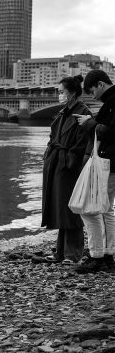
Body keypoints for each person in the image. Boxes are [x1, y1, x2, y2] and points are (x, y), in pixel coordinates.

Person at [33, 75, 91, 265]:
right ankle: (61, 252)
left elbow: (84, 144)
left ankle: (72, 254)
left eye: (61, 92)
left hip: (69, 166)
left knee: (71, 208)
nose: (59, 95)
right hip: (58, 163)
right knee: (60, 207)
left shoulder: (83, 112)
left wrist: (69, 161)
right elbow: (53, 137)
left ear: (72, 93)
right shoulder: (63, 113)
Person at [72, 69, 115, 273]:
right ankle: (107, 255)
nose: (91, 95)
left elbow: (111, 133)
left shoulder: (113, 101)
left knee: (90, 210)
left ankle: (97, 256)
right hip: (111, 164)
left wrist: (88, 123)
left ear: (100, 84)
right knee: (106, 210)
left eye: (91, 90)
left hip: (108, 164)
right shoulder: (111, 102)